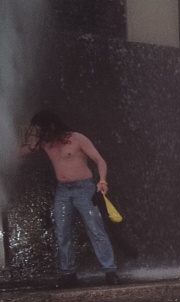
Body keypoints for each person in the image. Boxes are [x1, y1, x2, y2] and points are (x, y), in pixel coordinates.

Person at [18, 110, 119, 286]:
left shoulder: (77, 138)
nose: (40, 133)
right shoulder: (45, 143)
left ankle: (110, 270)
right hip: (63, 191)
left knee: (96, 229)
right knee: (62, 232)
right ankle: (68, 273)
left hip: (84, 189)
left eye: (41, 129)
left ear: (51, 126)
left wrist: (102, 181)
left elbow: (99, 160)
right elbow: (21, 152)